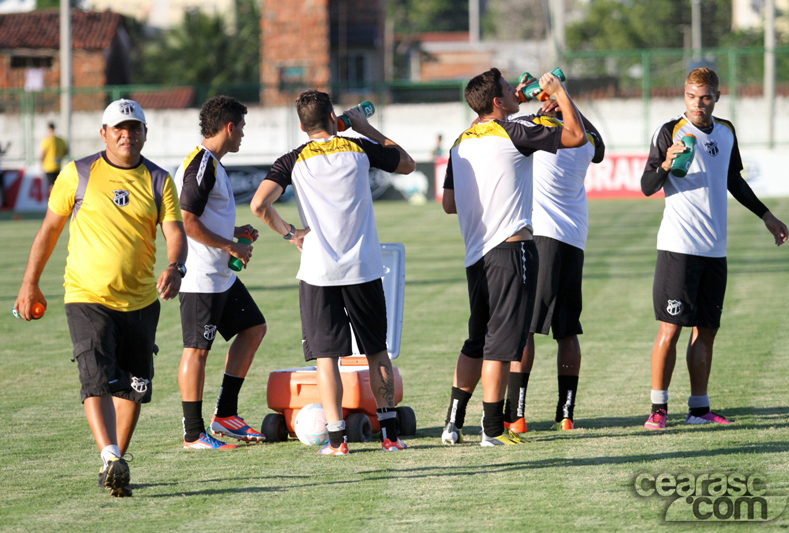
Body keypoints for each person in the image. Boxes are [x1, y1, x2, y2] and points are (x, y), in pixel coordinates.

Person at [14, 99, 187, 496]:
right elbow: (48, 232)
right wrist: (30, 282)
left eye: (135, 128)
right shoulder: (78, 173)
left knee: (134, 388)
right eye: (119, 129)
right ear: (104, 133)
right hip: (86, 295)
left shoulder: (160, 180)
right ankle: (109, 454)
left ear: (146, 133)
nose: (128, 135)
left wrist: (176, 267)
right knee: (94, 376)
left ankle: (115, 464)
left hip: (142, 300)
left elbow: (175, 233)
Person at [250, 89, 415, 455]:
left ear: (301, 125)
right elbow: (407, 164)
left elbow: (259, 204)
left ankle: (337, 441)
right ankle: (390, 435)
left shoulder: (292, 159)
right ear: (331, 118)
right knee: (376, 352)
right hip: (363, 268)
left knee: (328, 358)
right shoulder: (357, 148)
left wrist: (291, 234)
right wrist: (367, 128)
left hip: (319, 271)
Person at [440, 68, 587, 446]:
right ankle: (492, 430)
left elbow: (450, 204)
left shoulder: (461, 141)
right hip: (512, 248)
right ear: (496, 101)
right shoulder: (513, 133)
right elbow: (576, 136)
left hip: (476, 252)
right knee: (502, 345)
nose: (515, 91)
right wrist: (559, 91)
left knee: (477, 339)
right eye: (508, 89)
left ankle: (453, 422)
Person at [640, 67, 789, 430]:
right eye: (691, 96)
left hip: (714, 250)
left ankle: (699, 409)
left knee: (705, 330)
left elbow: (732, 179)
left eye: (705, 97)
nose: (698, 104)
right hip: (678, 247)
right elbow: (647, 185)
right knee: (670, 329)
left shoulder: (726, 132)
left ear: (717, 97)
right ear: (684, 95)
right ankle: (658, 408)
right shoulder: (670, 131)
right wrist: (666, 162)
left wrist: (767, 215)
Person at [503, 99, 605, 433]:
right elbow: (597, 142)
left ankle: (516, 415)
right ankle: (566, 413)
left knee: (526, 328)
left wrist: (534, 111)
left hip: (542, 238)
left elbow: (506, 129)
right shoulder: (586, 144)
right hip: (574, 241)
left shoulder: (542, 136)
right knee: (567, 331)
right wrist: (566, 99)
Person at [174, 95, 267, 450]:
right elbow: (187, 222)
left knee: (253, 328)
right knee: (196, 351)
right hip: (201, 278)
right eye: (241, 127)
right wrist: (231, 246)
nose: (243, 134)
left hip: (221, 277)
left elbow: (204, 219)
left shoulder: (213, 164)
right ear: (229, 127)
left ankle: (226, 415)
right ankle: (194, 433)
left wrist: (235, 233)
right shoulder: (202, 165)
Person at [40, 122, 68, 193]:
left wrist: (41, 162)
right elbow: (66, 151)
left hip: (49, 167)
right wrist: (60, 157)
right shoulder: (60, 140)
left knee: (51, 185)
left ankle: (53, 201)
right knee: (57, 185)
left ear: (49, 129)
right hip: (58, 166)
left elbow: (43, 153)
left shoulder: (47, 140)